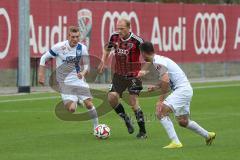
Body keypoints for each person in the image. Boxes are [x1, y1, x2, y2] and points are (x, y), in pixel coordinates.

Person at [138, 41, 216, 148]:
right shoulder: (158, 60)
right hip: (185, 89)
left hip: (182, 90)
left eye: (141, 54)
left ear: (143, 53)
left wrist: (160, 100)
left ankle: (176, 142)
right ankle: (208, 135)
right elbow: (168, 79)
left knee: (160, 111)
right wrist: (156, 87)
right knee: (183, 122)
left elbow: (166, 79)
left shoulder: (157, 61)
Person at [38, 26, 99, 132]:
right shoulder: (59, 47)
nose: (75, 39)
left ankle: (96, 127)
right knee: (71, 109)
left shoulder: (82, 48)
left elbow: (86, 66)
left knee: (89, 104)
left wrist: (83, 72)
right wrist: (41, 74)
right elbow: (44, 58)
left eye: (77, 37)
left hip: (78, 80)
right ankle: (77, 100)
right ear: (68, 36)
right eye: (73, 37)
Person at [98, 18, 147, 138]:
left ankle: (142, 132)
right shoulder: (114, 37)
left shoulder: (137, 41)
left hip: (133, 75)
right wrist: (103, 61)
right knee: (111, 98)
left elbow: (149, 55)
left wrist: (144, 69)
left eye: (122, 29)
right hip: (119, 75)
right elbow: (107, 49)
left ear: (129, 28)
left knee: (133, 102)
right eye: (118, 28)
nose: (119, 31)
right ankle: (126, 119)